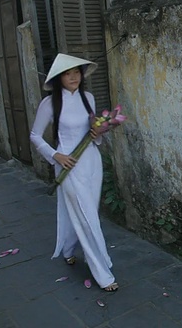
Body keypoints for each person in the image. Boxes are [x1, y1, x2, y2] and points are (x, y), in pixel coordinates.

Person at [29, 53, 118, 291]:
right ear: (59, 78)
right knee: (89, 217)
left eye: (77, 72)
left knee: (84, 211)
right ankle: (103, 273)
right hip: (68, 164)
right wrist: (54, 155)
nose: (74, 77)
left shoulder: (87, 97)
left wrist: (99, 132)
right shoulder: (49, 104)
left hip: (91, 163)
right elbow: (35, 135)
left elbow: (93, 131)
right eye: (68, 73)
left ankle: (68, 250)